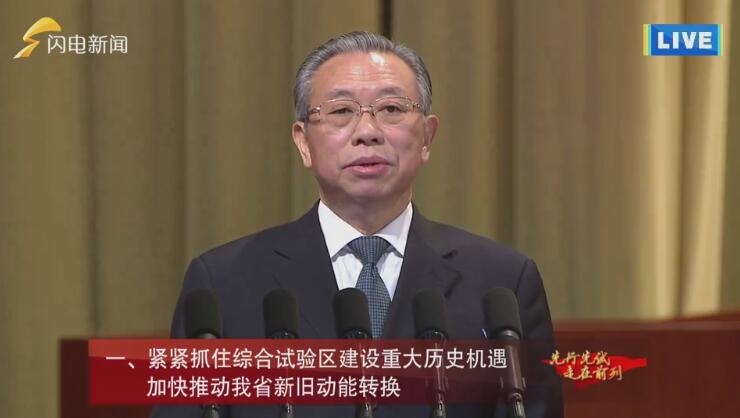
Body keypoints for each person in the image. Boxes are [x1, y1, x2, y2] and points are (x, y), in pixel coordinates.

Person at [151, 31, 563, 418]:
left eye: (391, 109)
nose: (367, 132)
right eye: (341, 111)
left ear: (427, 137)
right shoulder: (224, 283)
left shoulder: (502, 283)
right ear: (303, 142)